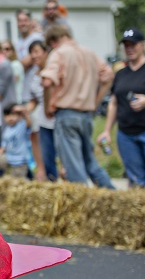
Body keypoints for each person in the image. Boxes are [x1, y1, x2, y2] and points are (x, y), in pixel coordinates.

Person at [40, 25, 114, 188]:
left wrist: (48, 106)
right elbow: (108, 76)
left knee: (73, 166)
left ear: (53, 42)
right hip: (87, 115)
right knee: (90, 161)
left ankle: (83, 201)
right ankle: (111, 194)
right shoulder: (89, 53)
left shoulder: (58, 53)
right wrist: (95, 101)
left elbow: (47, 82)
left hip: (66, 114)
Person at [96, 28, 145, 187]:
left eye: (133, 44)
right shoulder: (121, 74)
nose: (129, 48)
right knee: (137, 182)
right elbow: (114, 102)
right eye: (126, 45)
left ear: (142, 45)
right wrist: (106, 130)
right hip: (126, 134)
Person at [28, 40, 58, 181]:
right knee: (40, 144)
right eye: (31, 52)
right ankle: (44, 171)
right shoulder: (34, 73)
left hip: (54, 113)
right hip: (40, 115)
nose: (34, 56)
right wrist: (25, 110)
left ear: (45, 52)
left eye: (36, 52)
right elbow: (34, 99)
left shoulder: (52, 70)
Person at [15, 9, 44, 116]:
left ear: (31, 22)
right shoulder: (18, 42)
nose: (22, 23)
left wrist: (15, 67)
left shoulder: (37, 38)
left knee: (35, 129)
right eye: (20, 20)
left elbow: (26, 63)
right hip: (23, 92)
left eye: (25, 20)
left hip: (35, 94)